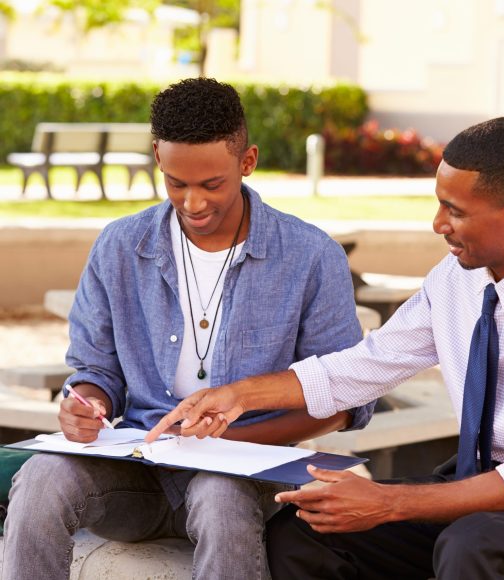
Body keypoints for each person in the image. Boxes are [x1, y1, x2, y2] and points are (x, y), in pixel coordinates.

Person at [147, 117, 504, 580]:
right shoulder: (455, 281)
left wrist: (387, 502)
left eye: (455, 211)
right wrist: (240, 396)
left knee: (472, 546)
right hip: (476, 482)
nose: (438, 224)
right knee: (307, 530)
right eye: (440, 203)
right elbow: (364, 367)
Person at [1, 77, 374, 580]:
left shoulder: (311, 256)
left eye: (211, 184)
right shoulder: (119, 246)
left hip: (245, 473)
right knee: (41, 477)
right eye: (176, 183)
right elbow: (95, 370)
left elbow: (344, 399)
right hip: (136, 471)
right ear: (157, 156)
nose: (193, 203)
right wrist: (87, 404)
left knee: (220, 496)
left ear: (248, 161)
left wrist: (227, 443)